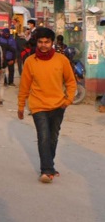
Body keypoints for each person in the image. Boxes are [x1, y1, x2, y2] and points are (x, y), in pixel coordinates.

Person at [17, 28, 76, 183]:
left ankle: (49, 165)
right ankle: (46, 170)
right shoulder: (30, 61)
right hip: (38, 106)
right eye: (40, 42)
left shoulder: (62, 60)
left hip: (58, 105)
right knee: (43, 137)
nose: (43, 45)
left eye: (47, 42)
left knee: (53, 138)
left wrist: (67, 100)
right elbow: (24, 86)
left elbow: (71, 82)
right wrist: (21, 106)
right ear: (36, 42)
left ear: (52, 43)